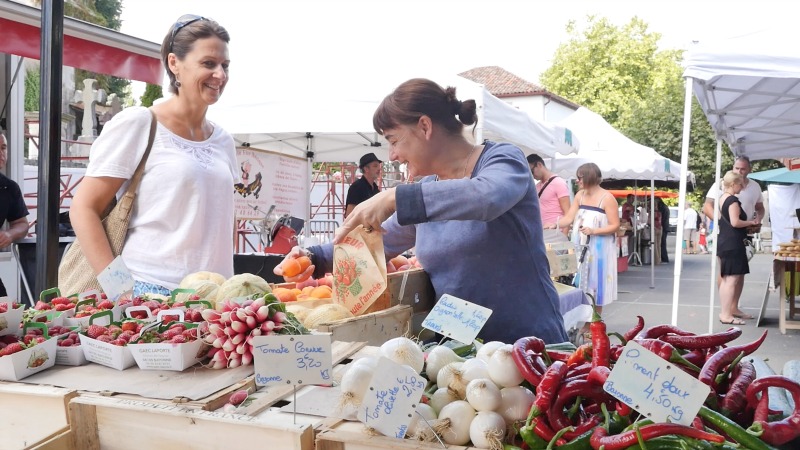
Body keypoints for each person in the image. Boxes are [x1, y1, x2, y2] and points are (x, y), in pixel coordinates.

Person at [275, 78, 569, 344]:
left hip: (530, 347)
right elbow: (376, 243)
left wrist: (395, 196)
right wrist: (316, 257)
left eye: (393, 140)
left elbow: (486, 197)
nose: (391, 155)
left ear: (425, 127)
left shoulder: (503, 159)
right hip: (462, 352)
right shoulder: (428, 190)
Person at [70, 15, 237, 297]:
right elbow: (83, 208)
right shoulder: (140, 123)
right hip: (152, 291)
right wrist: (120, 289)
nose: (220, 74)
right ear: (175, 64)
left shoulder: (224, 140)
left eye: (225, 65)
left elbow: (220, 221)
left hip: (218, 297)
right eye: (208, 63)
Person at [547, 163, 619, 335]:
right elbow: (569, 218)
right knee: (580, 282)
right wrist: (554, 224)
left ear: (589, 177)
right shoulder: (580, 196)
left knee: (596, 284)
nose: (577, 181)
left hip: (599, 248)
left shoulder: (607, 198)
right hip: (581, 246)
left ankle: (593, 321)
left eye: (580, 177)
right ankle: (583, 319)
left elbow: (615, 225)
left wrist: (595, 231)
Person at [717, 171, 761, 324]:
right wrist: (751, 223)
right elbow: (735, 222)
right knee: (732, 280)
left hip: (724, 241)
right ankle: (726, 315)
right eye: (740, 184)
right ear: (733, 184)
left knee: (726, 279)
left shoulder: (722, 198)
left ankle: (725, 312)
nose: (742, 187)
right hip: (733, 243)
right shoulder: (733, 200)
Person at [0, 133, 30, 297]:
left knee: (5, 317)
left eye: (3, 148)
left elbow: (22, 223)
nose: (1, 153)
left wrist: (9, 234)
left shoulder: (9, 188)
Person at [527, 154, 570, 234]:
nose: (532, 176)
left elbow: (568, 214)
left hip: (556, 232)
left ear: (539, 165)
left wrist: (564, 236)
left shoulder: (558, 183)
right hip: (542, 232)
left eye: (532, 172)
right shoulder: (537, 187)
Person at [344, 152, 382, 219]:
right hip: (360, 228)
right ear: (366, 169)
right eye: (375, 166)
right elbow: (349, 215)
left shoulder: (375, 188)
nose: (379, 169)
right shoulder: (357, 187)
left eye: (379, 166)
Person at [657, 198, 670, 262]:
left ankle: (664, 258)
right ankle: (664, 258)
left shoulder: (662, 208)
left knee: (662, 243)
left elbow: (661, 218)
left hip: (663, 227)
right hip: (665, 226)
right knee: (663, 243)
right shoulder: (665, 207)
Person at [653, 200, 663, 264]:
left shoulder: (653, 213)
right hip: (660, 228)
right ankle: (659, 259)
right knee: (659, 245)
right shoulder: (659, 212)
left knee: (655, 245)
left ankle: (656, 261)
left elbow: (649, 221)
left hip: (655, 228)